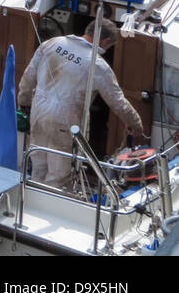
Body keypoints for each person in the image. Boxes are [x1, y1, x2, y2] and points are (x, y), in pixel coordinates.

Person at [17, 17, 144, 190]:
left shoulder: (52, 43)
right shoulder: (98, 65)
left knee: (38, 167)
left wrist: (23, 103)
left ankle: (31, 205)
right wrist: (136, 125)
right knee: (58, 177)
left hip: (38, 114)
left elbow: (28, 78)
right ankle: (50, 211)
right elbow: (118, 102)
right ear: (106, 41)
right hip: (64, 122)